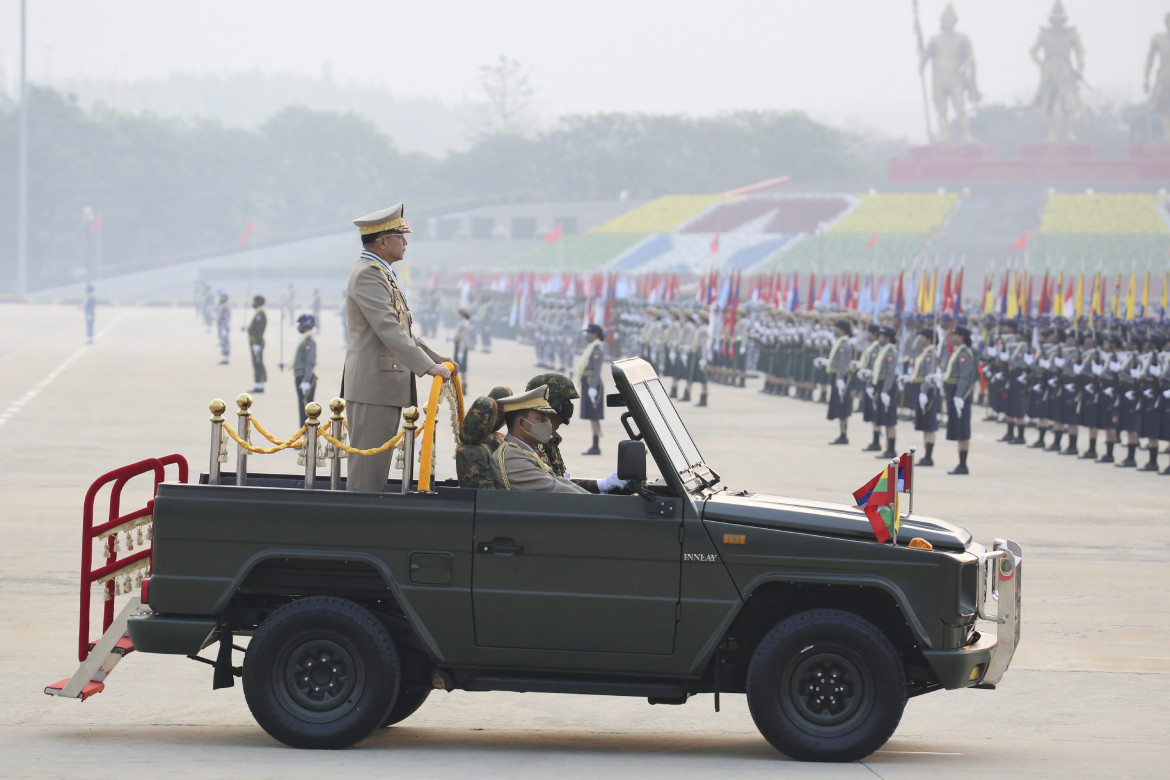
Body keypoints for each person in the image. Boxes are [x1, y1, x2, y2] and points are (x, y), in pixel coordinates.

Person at [343, 203, 457, 493]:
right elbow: (388, 329)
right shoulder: (368, 274)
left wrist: (435, 357)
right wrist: (427, 367)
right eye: (400, 236)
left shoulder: (382, 272)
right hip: (373, 386)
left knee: (377, 469)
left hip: (382, 384)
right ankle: (358, 528)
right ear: (383, 241)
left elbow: (403, 329)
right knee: (367, 474)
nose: (406, 242)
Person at [491, 386, 626, 494]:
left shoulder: (524, 450)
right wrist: (601, 504)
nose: (547, 423)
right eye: (541, 418)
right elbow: (556, 490)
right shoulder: (512, 458)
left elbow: (560, 482)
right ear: (521, 423)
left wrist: (601, 492)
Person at [944, 325, 977, 474]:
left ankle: (963, 465)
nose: (953, 337)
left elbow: (964, 376)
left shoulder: (964, 353)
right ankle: (960, 463)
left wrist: (958, 395)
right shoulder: (958, 351)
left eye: (955, 335)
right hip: (955, 392)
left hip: (961, 394)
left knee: (963, 428)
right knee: (958, 428)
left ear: (962, 337)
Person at [577, 323, 606, 455]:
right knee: (591, 414)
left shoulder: (597, 349)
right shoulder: (591, 347)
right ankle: (595, 445)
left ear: (594, 334)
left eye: (589, 333)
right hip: (587, 382)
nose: (587, 335)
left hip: (591, 383)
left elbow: (597, 369)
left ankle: (595, 446)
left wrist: (593, 387)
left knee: (594, 415)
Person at [825, 319, 854, 444]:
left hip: (841, 377)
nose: (835, 330)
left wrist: (840, 378)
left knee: (843, 405)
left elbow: (843, 363)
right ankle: (842, 434)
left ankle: (843, 435)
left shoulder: (844, 344)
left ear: (843, 330)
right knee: (839, 405)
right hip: (837, 376)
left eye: (837, 328)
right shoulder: (840, 342)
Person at [293, 314, 317, 426]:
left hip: (304, 377)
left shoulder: (309, 342)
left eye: (301, 325)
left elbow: (310, 362)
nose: (299, 327)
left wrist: (306, 380)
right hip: (300, 376)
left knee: (306, 408)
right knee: (301, 406)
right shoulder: (304, 339)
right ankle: (303, 434)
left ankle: (306, 435)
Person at [246, 295, 267, 393]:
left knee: (258, 362)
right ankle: (258, 384)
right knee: (256, 362)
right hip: (255, 342)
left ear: (258, 303)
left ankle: (260, 385)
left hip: (257, 342)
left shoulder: (260, 314)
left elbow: (258, 330)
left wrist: (257, 343)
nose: (253, 304)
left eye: (254, 302)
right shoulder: (258, 313)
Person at [453, 307, 472, 390]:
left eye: (459, 314)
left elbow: (463, 338)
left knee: (462, 368)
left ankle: (464, 385)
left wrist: (460, 351)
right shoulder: (462, 322)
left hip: (461, 347)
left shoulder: (465, 324)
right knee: (459, 366)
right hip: (459, 345)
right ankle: (461, 384)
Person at [216, 290, 231, 365]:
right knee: (223, 342)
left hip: (223, 327)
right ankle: (224, 357)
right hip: (221, 327)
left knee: (225, 343)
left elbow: (227, 318)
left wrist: (224, 328)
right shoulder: (221, 306)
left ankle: (226, 358)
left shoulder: (225, 307)